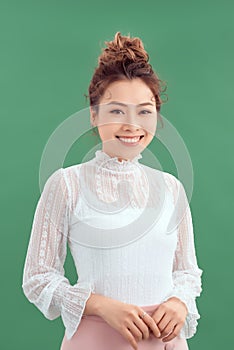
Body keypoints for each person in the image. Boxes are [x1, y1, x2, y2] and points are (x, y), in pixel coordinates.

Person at [22, 32, 203, 350]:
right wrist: (100, 305)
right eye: (117, 111)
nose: (132, 124)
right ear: (93, 115)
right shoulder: (67, 184)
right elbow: (38, 277)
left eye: (144, 111)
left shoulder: (171, 189)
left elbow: (187, 272)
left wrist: (179, 302)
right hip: (94, 341)